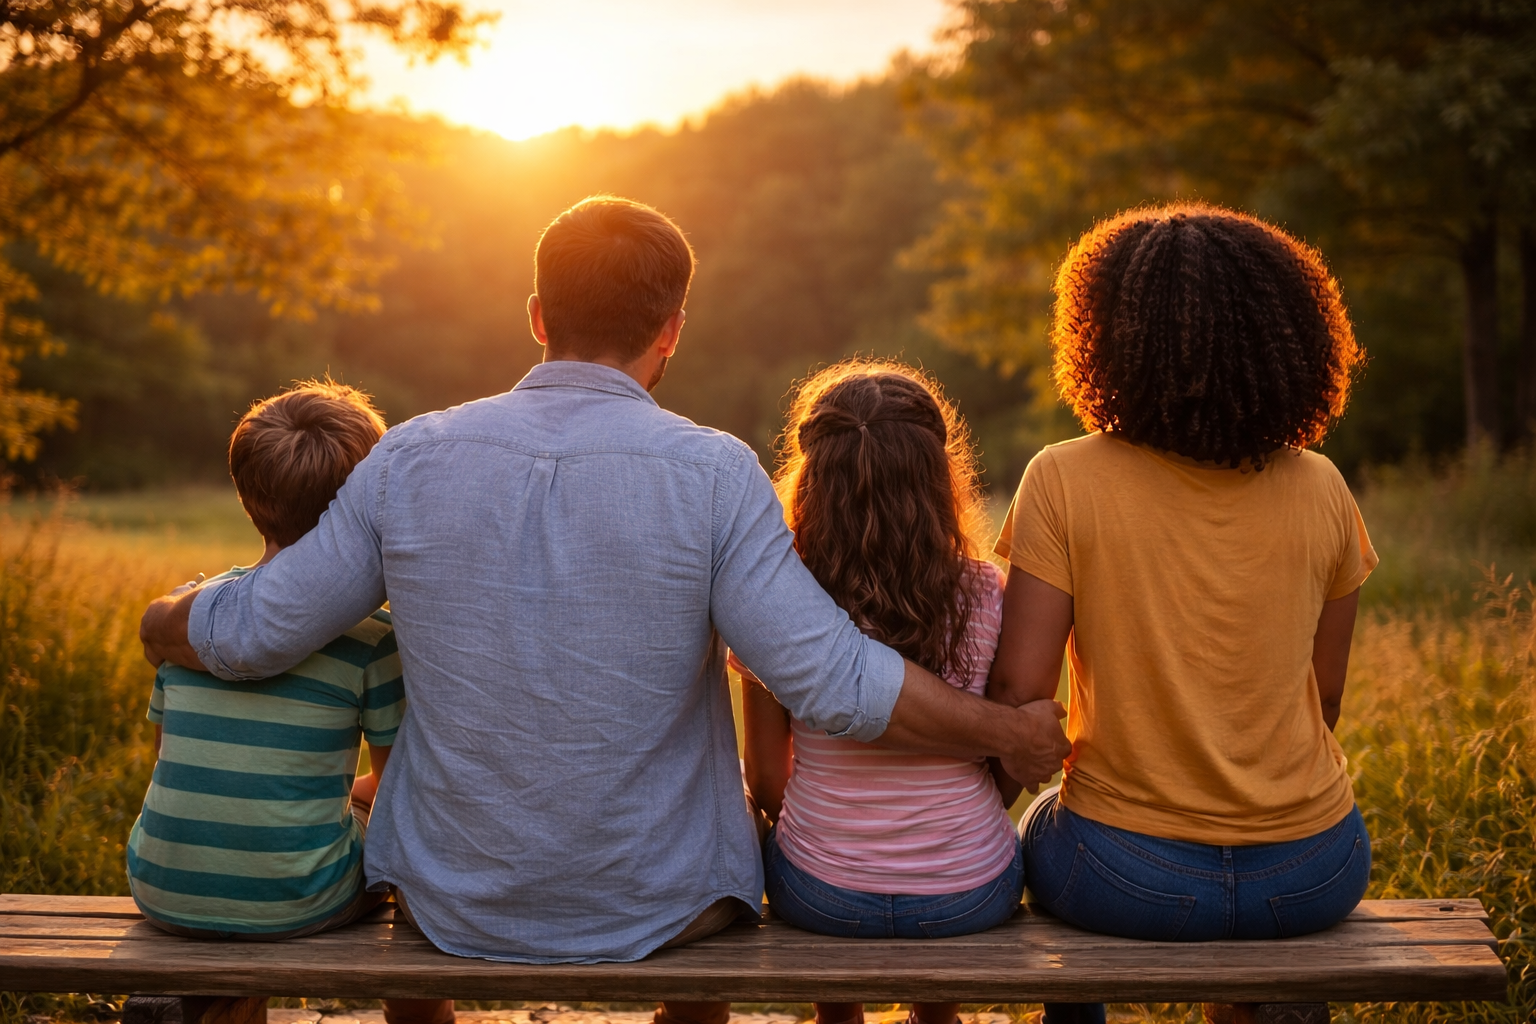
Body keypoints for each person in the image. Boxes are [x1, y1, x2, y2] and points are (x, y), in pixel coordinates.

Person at [139, 197, 1072, 1024]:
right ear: (672, 329)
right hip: (672, 906)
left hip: (452, 900)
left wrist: (167, 618)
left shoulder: (411, 459)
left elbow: (263, 629)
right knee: (720, 852)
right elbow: (826, 679)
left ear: (538, 316)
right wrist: (1004, 731)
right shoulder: (713, 473)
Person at [987, 205, 1376, 1024]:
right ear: (1287, 337)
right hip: (1311, 869)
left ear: (1109, 340)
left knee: (1040, 839)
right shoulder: (1325, 487)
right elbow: (1326, 699)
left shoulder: (1063, 478)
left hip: (1124, 874)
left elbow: (1022, 692)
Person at [737, 361, 1064, 1024]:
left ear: (812, 482)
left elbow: (769, 782)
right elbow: (1003, 773)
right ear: (937, 477)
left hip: (821, 891)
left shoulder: (782, 603)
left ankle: (839, 1018)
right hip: (966, 890)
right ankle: (936, 1017)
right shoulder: (984, 595)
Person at [128, 381, 402, 936]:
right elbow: (398, 788)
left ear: (246, 494)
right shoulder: (373, 636)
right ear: (359, 500)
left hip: (160, 885)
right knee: (399, 848)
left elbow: (167, 757)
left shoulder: (192, 622)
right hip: (300, 900)